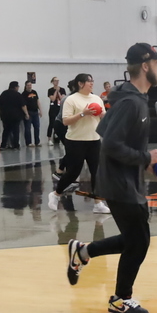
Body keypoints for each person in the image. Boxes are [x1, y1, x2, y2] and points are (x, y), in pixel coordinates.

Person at [64, 43, 157, 313]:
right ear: (146, 66)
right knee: (140, 241)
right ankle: (121, 299)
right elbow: (109, 144)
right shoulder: (131, 102)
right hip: (119, 182)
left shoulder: (130, 99)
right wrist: (144, 156)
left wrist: (142, 160)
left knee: (135, 239)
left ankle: (83, 252)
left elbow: (103, 129)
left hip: (124, 179)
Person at [49, 74, 109, 214]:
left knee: (97, 172)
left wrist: (103, 115)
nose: (92, 83)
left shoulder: (96, 98)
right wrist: (83, 113)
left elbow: (103, 116)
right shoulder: (70, 100)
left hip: (94, 140)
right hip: (75, 141)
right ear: (80, 84)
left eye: (92, 80)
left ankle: (98, 202)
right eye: (89, 81)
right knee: (73, 172)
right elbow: (65, 121)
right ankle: (55, 194)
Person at [0, 82, 26, 149]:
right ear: (15, 87)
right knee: (16, 131)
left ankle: (3, 145)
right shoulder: (18, 95)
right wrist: (26, 114)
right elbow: (23, 105)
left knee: (6, 131)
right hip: (15, 116)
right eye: (17, 87)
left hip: (5, 116)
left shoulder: (4, 93)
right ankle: (15, 145)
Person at [21, 80, 42, 147]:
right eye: (28, 85)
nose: (29, 86)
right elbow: (23, 105)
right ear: (26, 86)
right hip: (29, 112)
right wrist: (26, 114)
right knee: (27, 128)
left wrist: (40, 110)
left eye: (30, 85)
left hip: (35, 112)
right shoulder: (24, 94)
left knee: (37, 127)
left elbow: (38, 101)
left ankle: (37, 142)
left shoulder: (34, 92)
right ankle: (28, 142)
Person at [46, 77, 66, 145]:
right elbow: (53, 99)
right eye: (55, 81)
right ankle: (49, 139)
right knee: (51, 123)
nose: (56, 82)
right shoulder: (50, 90)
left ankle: (60, 138)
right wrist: (56, 91)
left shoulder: (62, 89)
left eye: (57, 81)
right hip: (53, 108)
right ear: (52, 82)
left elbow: (62, 99)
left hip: (60, 108)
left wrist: (59, 92)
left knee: (61, 123)